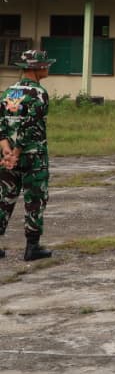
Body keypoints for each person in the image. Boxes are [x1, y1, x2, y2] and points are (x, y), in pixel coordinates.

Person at [0, 49, 54, 261]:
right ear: (36, 68)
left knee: (4, 197)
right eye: (45, 64)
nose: (48, 67)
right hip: (32, 156)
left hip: (8, 157)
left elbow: (2, 122)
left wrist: (5, 148)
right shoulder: (39, 93)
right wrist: (17, 151)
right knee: (35, 198)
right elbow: (32, 127)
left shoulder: (8, 92)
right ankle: (32, 247)